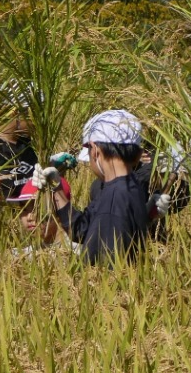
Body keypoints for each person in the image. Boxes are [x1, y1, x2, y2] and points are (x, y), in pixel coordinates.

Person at [42, 109, 150, 265]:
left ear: (95, 151)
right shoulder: (127, 185)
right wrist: (56, 188)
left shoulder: (114, 200)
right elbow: (83, 228)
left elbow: (104, 268)